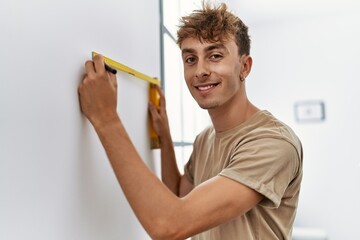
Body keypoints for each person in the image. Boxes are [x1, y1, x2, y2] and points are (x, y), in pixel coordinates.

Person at [78, 2, 303, 240]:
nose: (200, 71)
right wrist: (164, 135)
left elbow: (169, 224)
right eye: (190, 59)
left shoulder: (272, 143)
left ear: (244, 67)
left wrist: (107, 119)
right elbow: (177, 195)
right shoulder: (205, 139)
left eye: (215, 56)